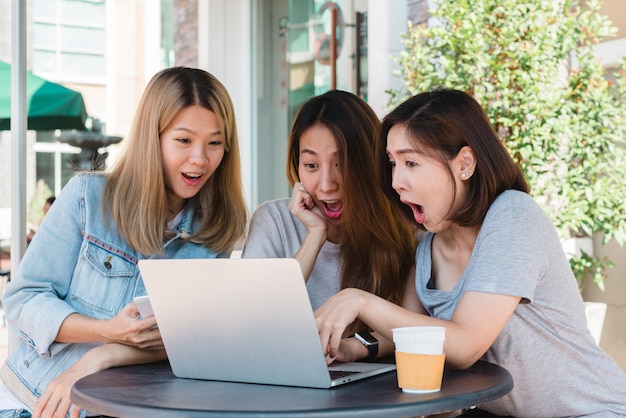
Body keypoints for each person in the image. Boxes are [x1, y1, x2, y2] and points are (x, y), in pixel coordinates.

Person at [314, 89, 626, 417]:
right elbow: (403, 335)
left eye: (410, 162)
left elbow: (464, 345)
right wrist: (350, 348)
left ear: (464, 164)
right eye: (393, 164)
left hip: (593, 411)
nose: (396, 181)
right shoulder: (429, 247)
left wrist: (357, 300)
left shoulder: (513, 215)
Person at [0, 66, 248, 418]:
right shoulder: (88, 198)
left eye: (215, 143)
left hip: (131, 408)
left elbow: (192, 341)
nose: (200, 158)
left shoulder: (215, 232)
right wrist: (108, 332)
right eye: (184, 140)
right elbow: (23, 300)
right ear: (153, 138)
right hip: (35, 401)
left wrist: (105, 353)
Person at [242, 90, 417, 363]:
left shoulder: (406, 227)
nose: (326, 184)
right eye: (311, 165)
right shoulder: (273, 221)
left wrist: (354, 347)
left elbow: (416, 329)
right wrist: (315, 236)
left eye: (342, 164)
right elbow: (252, 322)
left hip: (375, 392)